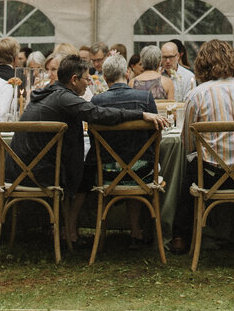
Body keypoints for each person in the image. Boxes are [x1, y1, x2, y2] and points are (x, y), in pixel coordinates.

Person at [13, 55, 169, 244]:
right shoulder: (64, 97)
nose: (89, 84)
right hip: (38, 172)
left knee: (83, 167)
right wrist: (141, 114)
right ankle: (68, 230)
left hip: (18, 169)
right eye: (87, 79)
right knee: (83, 171)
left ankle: (68, 229)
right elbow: (97, 114)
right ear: (74, 80)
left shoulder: (48, 92)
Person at [171, 39, 234, 254]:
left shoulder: (196, 94)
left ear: (202, 64)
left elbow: (188, 145)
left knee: (190, 168)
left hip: (209, 175)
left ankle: (180, 236)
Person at [81, 51, 159, 246]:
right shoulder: (145, 98)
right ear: (127, 73)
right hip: (142, 172)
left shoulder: (97, 101)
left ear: (104, 78)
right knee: (134, 163)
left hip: (107, 172)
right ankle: (137, 231)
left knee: (124, 163)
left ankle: (104, 233)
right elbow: (155, 137)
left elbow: (93, 138)